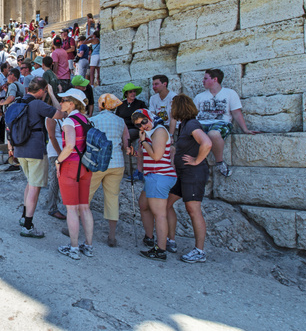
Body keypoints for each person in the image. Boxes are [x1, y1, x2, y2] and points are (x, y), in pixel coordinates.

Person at [8, 78, 66, 238]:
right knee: (35, 187)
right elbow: (60, 114)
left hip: (20, 150)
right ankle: (27, 226)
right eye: (45, 91)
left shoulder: (18, 103)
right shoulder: (38, 104)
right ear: (41, 90)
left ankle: (24, 218)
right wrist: (53, 95)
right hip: (35, 150)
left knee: (30, 184)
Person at [166, 94, 213, 263]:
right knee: (166, 203)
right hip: (182, 174)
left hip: (193, 174)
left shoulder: (192, 124)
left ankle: (199, 251)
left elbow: (206, 143)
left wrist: (196, 160)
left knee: (193, 211)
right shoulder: (184, 125)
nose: (170, 110)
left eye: (172, 107)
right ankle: (170, 240)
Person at [132, 109, 177, 261]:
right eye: (138, 125)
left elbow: (157, 156)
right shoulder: (152, 133)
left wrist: (144, 142)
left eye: (144, 121)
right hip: (153, 176)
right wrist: (138, 149)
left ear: (149, 117)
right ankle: (149, 237)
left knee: (159, 214)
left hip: (159, 176)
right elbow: (145, 159)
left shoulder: (159, 131)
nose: (142, 126)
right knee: (143, 204)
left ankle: (161, 249)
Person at [194, 68, 256, 177]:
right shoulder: (200, 97)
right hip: (202, 122)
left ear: (215, 79)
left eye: (205, 78)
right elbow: (192, 115)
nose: (202, 81)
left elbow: (236, 113)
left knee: (213, 134)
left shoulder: (229, 93)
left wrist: (245, 129)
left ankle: (219, 162)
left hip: (221, 122)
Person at [55, 89, 94, 259]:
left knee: (71, 209)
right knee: (85, 207)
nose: (61, 103)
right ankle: (89, 246)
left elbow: (69, 145)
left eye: (63, 100)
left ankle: (74, 248)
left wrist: (58, 161)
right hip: (86, 166)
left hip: (71, 165)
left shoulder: (69, 121)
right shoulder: (86, 120)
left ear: (72, 103)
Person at [88, 93, 130, 247]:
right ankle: (112, 236)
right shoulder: (120, 121)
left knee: (86, 196)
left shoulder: (93, 120)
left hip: (98, 162)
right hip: (117, 162)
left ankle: (77, 227)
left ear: (101, 105)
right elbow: (126, 143)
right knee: (112, 198)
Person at [116, 82, 147, 182]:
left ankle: (135, 171)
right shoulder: (121, 105)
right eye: (130, 92)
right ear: (126, 94)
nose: (133, 93)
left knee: (127, 136)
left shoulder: (140, 104)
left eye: (134, 91)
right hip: (122, 128)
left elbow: (145, 118)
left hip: (134, 128)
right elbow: (117, 118)